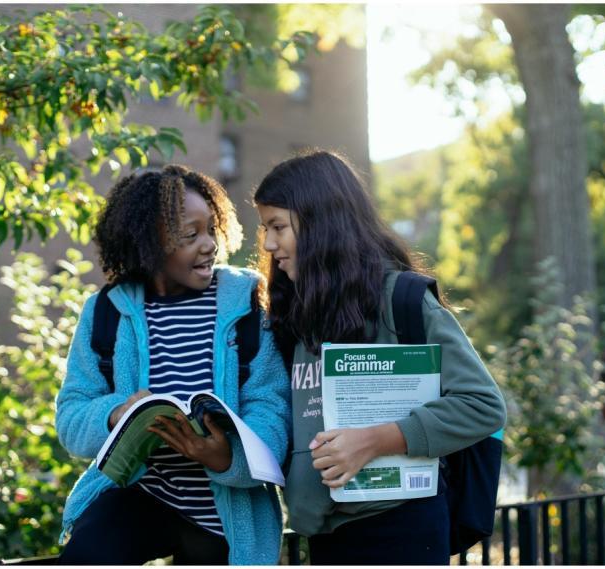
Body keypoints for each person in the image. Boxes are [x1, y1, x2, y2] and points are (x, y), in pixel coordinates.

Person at [253, 149, 507, 565]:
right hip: (324, 537)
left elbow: (483, 405)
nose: (268, 244)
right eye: (265, 228)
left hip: (402, 530)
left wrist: (375, 440)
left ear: (321, 223)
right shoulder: (295, 314)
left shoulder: (401, 300)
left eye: (278, 226)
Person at [55, 165, 290, 565]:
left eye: (211, 229)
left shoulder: (247, 299)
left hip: (225, 515)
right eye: (189, 235)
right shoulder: (105, 311)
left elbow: (272, 405)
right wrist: (116, 414)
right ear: (148, 243)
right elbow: (72, 415)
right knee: (86, 553)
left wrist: (226, 457)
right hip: (142, 493)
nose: (209, 245)